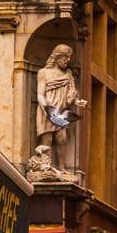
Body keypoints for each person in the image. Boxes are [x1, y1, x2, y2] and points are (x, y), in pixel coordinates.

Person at [34, 44, 86, 173]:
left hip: (61, 112)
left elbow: (71, 94)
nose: (68, 60)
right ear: (57, 57)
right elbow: (40, 94)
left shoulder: (68, 74)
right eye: (65, 57)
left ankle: (62, 167)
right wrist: (46, 109)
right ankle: (46, 166)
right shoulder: (43, 73)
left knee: (61, 139)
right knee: (47, 139)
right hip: (47, 110)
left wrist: (77, 102)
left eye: (69, 57)